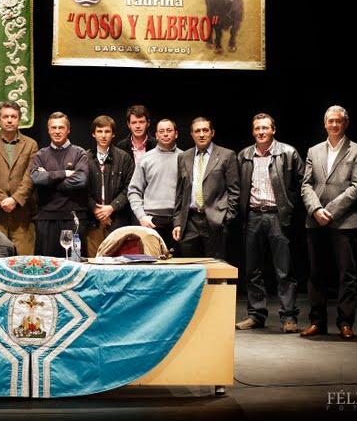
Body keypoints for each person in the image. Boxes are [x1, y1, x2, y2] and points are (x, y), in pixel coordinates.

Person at [300, 106, 357, 340]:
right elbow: (306, 185)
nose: (334, 125)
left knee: (346, 274)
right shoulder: (313, 150)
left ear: (345, 124)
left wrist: (329, 210)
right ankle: (317, 322)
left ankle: (346, 322)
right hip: (315, 220)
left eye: (339, 121)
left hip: (344, 221)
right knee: (316, 273)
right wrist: (316, 209)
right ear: (324, 123)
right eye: (330, 121)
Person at [234, 114, 304, 333]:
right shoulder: (244, 155)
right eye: (257, 128)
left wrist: (290, 210)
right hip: (253, 215)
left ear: (274, 130)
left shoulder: (288, 152)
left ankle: (289, 316)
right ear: (253, 131)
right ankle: (256, 314)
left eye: (265, 128)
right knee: (252, 269)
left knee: (284, 270)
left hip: (277, 216)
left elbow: (302, 184)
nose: (261, 132)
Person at [0, 101, 38, 255]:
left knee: (25, 263)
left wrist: (15, 199)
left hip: (22, 213)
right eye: (5, 117)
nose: (9, 120)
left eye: (13, 117)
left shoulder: (31, 144)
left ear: (19, 119)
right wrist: (2, 200)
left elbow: (31, 176)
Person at [172, 117, 239, 258]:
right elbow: (180, 193)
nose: (201, 134)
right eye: (197, 131)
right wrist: (178, 222)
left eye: (205, 130)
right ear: (192, 134)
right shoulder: (184, 157)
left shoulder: (227, 155)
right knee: (190, 269)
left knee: (216, 271)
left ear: (212, 132)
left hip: (215, 220)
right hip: (190, 221)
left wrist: (226, 218)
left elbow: (234, 191)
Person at [30, 112, 89, 258]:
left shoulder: (79, 153)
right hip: (46, 219)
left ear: (68, 130)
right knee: (46, 267)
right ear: (48, 130)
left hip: (73, 218)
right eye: (53, 128)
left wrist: (49, 178)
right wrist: (65, 173)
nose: (57, 131)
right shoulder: (40, 155)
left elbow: (81, 180)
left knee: (75, 266)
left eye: (61, 127)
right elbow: (36, 179)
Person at [127, 119, 182, 249]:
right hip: (152, 221)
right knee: (153, 264)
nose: (165, 134)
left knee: (178, 265)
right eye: (161, 131)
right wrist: (141, 217)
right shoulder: (146, 158)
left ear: (176, 134)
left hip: (178, 220)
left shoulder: (184, 158)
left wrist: (181, 220)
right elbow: (134, 190)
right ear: (156, 135)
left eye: (169, 131)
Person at [85, 115, 135, 255]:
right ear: (93, 134)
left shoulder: (124, 158)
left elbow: (129, 188)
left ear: (113, 134)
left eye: (107, 131)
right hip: (93, 221)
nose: (103, 135)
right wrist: (96, 209)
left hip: (117, 220)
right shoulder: (85, 158)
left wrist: (111, 207)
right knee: (94, 264)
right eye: (99, 131)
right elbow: (82, 189)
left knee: (118, 264)